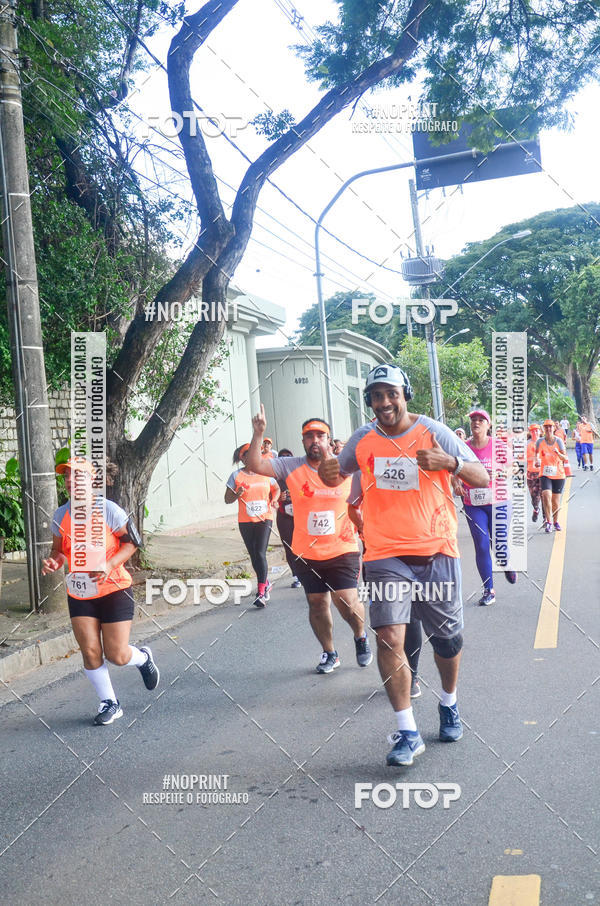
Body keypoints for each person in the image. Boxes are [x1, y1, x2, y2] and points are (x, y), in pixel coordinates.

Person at [319, 364, 489, 767]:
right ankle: (407, 732)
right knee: (389, 639)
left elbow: (481, 477)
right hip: (384, 554)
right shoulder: (362, 439)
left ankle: (448, 703)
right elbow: (336, 474)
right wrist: (329, 474)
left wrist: (449, 463)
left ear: (405, 394)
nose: (384, 403)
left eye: (391, 393)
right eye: (376, 396)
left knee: (447, 642)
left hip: (437, 550)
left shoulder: (435, 432)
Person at [247, 411, 373, 674]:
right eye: (309, 436)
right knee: (317, 603)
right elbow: (256, 465)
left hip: (343, 547)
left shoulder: (346, 465)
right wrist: (258, 432)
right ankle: (330, 653)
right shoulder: (290, 465)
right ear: (303, 441)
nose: (314, 440)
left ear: (329, 439)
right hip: (307, 550)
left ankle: (360, 636)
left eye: (320, 435)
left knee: (346, 600)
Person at [41, 459, 159, 726]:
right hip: (81, 593)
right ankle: (110, 703)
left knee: (116, 654)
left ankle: (142, 658)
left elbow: (132, 544)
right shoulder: (61, 516)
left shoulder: (108, 510)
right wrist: (54, 562)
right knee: (90, 650)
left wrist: (108, 564)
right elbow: (58, 551)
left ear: (92, 480)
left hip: (114, 588)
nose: (70, 481)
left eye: (77, 476)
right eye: (67, 477)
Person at [347, 470, 423, 698]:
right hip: (377, 553)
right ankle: (397, 668)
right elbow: (352, 505)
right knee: (387, 621)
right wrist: (364, 527)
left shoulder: (412, 461)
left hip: (413, 549)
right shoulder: (364, 467)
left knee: (411, 615)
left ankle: (412, 674)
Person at [459, 409, 517, 607]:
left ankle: (506, 563)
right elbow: (453, 470)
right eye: (473, 420)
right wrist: (455, 484)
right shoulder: (463, 447)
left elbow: (514, 467)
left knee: (499, 546)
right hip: (474, 504)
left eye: (481, 420)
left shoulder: (498, 446)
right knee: (482, 545)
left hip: (499, 501)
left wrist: (502, 472)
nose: (476, 422)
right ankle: (488, 589)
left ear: (488, 425)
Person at [225, 443, 280, 607]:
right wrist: (236, 494)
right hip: (245, 521)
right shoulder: (236, 476)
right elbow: (227, 499)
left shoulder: (266, 473)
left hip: (265, 518)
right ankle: (266, 582)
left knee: (260, 552)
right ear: (243, 457)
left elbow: (276, 488)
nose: (257, 455)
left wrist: (274, 499)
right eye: (252, 453)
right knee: (254, 555)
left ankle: (261, 591)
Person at [534, 420, 569, 532]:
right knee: (546, 495)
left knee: (555, 501)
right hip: (545, 474)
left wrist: (558, 453)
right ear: (543, 429)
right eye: (546, 427)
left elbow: (564, 457)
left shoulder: (558, 441)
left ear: (554, 428)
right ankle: (548, 521)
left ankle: (555, 521)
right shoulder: (540, 441)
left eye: (550, 427)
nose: (548, 429)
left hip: (558, 474)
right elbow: (536, 455)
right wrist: (537, 461)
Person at [274, 448, 301, 589]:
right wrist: (277, 498)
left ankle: (307, 572)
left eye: (287, 456)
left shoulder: (300, 475)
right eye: (281, 457)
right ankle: (296, 575)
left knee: (303, 545)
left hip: (301, 516)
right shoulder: (274, 479)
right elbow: (266, 496)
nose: (284, 459)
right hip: (284, 516)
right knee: (289, 546)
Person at [526, 424, 542, 522]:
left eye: (536, 430)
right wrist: (533, 459)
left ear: (540, 432)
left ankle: (546, 519)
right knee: (534, 496)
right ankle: (536, 509)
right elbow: (520, 457)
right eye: (532, 431)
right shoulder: (526, 444)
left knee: (544, 495)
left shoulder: (544, 442)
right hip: (531, 473)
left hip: (542, 473)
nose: (535, 432)